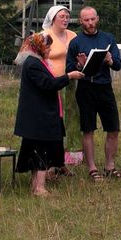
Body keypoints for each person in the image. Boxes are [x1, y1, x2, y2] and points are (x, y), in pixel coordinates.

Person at [14, 33, 84, 196]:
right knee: (41, 151)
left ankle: (35, 186)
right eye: (47, 47)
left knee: (37, 150)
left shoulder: (37, 62)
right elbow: (48, 84)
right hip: (39, 116)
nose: (50, 49)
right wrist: (69, 76)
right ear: (38, 48)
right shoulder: (33, 64)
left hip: (39, 115)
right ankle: (39, 187)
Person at [66, 6, 121, 182]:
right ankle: (92, 168)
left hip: (105, 87)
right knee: (88, 129)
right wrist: (79, 65)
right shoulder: (76, 42)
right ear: (80, 21)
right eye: (86, 20)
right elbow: (69, 69)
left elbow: (118, 65)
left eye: (93, 19)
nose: (90, 23)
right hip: (85, 88)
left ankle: (110, 166)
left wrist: (110, 60)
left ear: (97, 18)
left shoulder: (108, 38)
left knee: (113, 128)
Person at [42, 5, 83, 177]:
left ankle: (63, 161)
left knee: (71, 120)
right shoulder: (44, 36)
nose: (65, 19)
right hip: (53, 83)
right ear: (53, 18)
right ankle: (50, 164)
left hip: (72, 83)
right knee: (54, 121)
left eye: (67, 16)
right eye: (62, 16)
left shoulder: (74, 36)